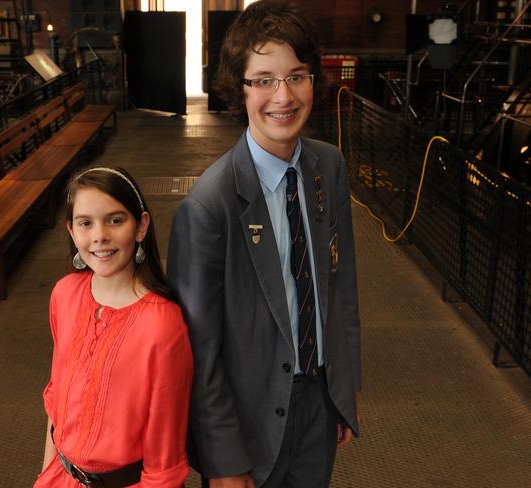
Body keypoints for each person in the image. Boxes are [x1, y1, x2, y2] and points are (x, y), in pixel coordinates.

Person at [167, 1, 360, 487]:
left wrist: (341, 392)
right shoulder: (209, 207)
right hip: (249, 428)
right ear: (240, 87)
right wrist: (224, 461)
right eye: (264, 79)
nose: (284, 96)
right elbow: (197, 352)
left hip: (319, 404)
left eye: (297, 75)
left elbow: (341, 291)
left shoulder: (329, 168)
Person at [35, 166, 193, 488]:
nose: (99, 236)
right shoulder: (64, 295)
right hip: (58, 478)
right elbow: (55, 403)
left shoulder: (162, 327)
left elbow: (164, 461)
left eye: (115, 220)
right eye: (85, 223)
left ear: (141, 226)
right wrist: (44, 476)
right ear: (71, 230)